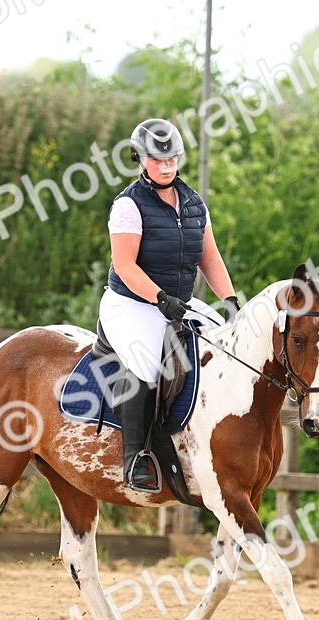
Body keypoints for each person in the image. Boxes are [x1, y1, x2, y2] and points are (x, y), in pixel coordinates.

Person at [100, 117, 241, 492]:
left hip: (179, 301)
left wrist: (229, 299)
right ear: (140, 158)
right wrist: (160, 298)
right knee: (148, 363)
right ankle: (135, 458)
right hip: (131, 302)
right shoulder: (128, 206)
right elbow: (125, 266)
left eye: (172, 159)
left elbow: (209, 258)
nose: (166, 166)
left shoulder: (194, 204)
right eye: (158, 160)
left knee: (223, 347)